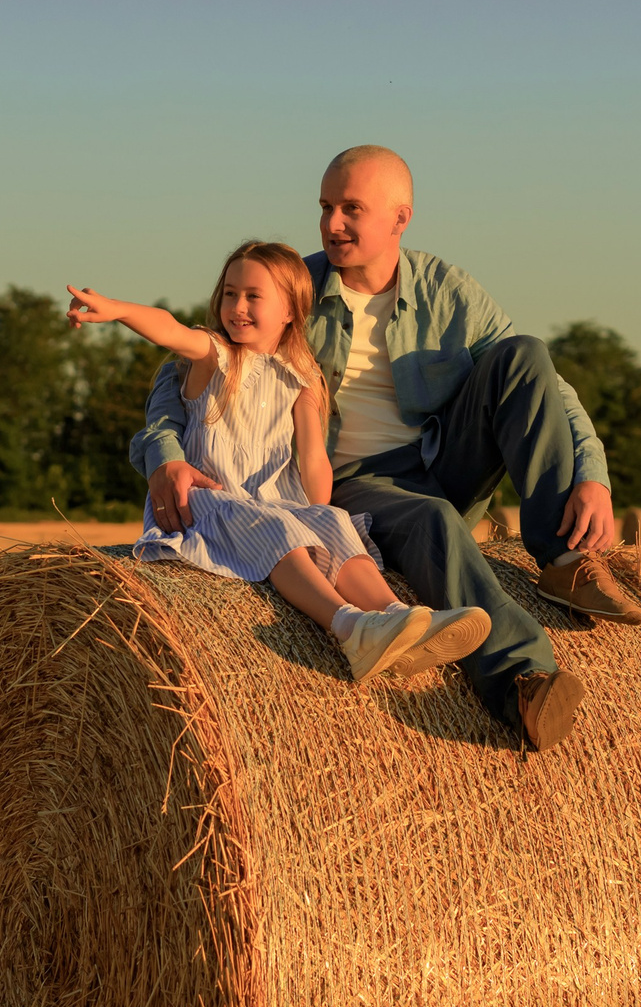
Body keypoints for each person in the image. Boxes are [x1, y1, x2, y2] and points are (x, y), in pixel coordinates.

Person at [131, 147, 641, 751]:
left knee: (524, 355)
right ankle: (521, 679)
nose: (332, 223)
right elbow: (188, 367)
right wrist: (165, 455)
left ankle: (562, 561)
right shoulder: (292, 286)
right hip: (353, 483)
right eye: (325, 207)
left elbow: (546, 389)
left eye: (352, 208)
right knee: (431, 521)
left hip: (442, 460)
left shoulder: (446, 290)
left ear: (401, 219)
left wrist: (592, 473)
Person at [67, 240, 493, 684]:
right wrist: (116, 309)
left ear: (290, 310)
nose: (238, 306)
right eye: (230, 293)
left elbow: (313, 456)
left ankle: (400, 618)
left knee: (333, 524)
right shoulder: (216, 356)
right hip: (211, 506)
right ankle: (350, 629)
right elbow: (170, 329)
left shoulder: (302, 373)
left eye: (254, 296)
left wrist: (321, 514)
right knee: (284, 528)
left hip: (272, 503)